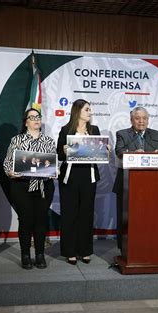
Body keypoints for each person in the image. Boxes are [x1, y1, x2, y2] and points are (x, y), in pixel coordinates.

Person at [4, 108, 55, 269]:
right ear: (25, 121)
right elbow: (7, 163)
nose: (36, 120)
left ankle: (40, 254)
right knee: (26, 221)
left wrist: (56, 169)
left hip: (44, 186)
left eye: (38, 117)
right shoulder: (16, 140)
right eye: (32, 117)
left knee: (41, 221)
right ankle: (25, 254)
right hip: (21, 186)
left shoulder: (49, 141)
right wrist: (10, 172)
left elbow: (54, 163)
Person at [112, 107, 158, 250]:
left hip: (152, 184)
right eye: (138, 118)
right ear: (132, 120)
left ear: (148, 120)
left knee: (148, 217)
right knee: (125, 218)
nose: (141, 121)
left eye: (144, 118)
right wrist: (132, 153)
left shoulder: (156, 134)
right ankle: (123, 248)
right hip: (127, 183)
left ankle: (147, 246)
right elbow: (119, 151)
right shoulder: (122, 134)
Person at [57, 99, 105, 265]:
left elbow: (99, 153)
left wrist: (105, 150)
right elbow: (59, 154)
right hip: (70, 176)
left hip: (88, 176)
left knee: (86, 214)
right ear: (77, 111)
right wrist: (64, 150)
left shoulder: (94, 130)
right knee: (69, 215)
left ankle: (85, 251)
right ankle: (69, 251)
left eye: (90, 109)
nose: (90, 112)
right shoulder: (65, 130)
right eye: (87, 109)